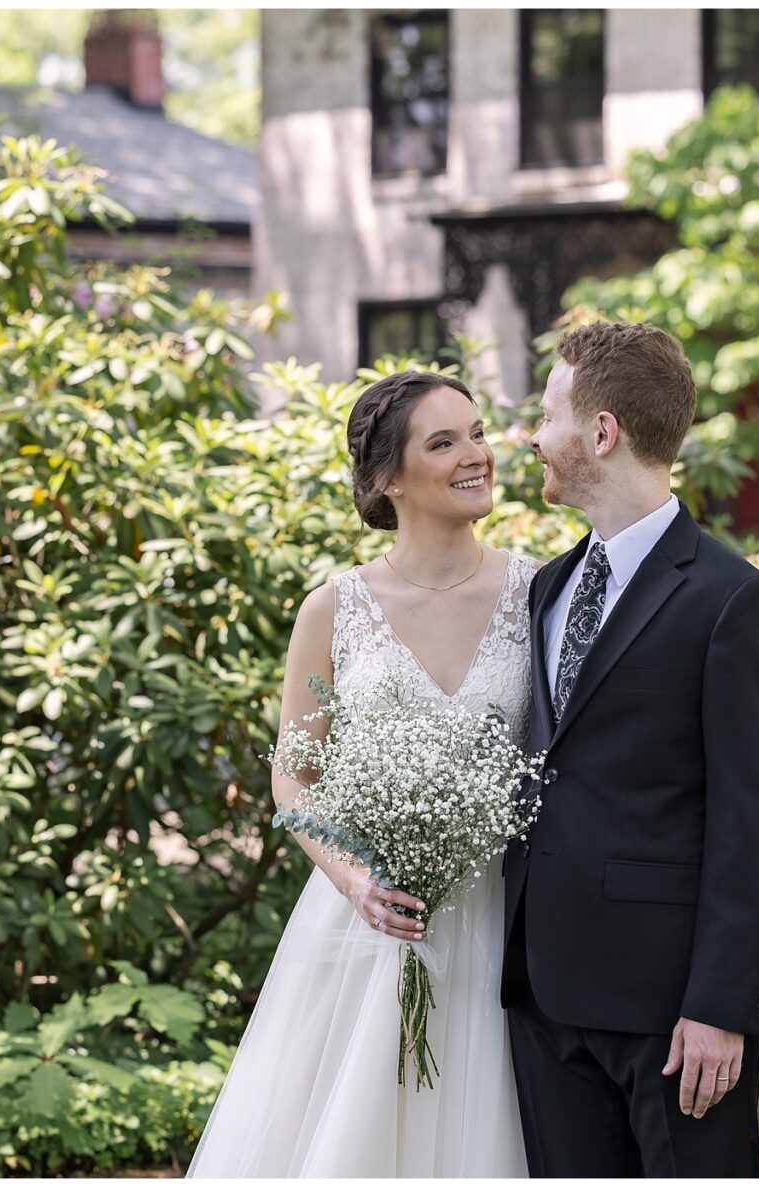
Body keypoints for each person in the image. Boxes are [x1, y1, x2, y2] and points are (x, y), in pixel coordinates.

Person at [190, 370, 533, 1176]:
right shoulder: (334, 608)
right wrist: (357, 880)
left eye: (478, 433)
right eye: (443, 442)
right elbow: (294, 776)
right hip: (370, 922)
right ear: (387, 478)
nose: (475, 455)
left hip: (502, 919)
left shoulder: (538, 591)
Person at [502, 319, 759, 1177]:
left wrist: (719, 1005)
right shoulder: (548, 587)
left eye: (548, 413)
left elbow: (756, 819)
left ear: (602, 432)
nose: (532, 435)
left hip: (675, 1015)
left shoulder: (729, 599)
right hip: (545, 995)